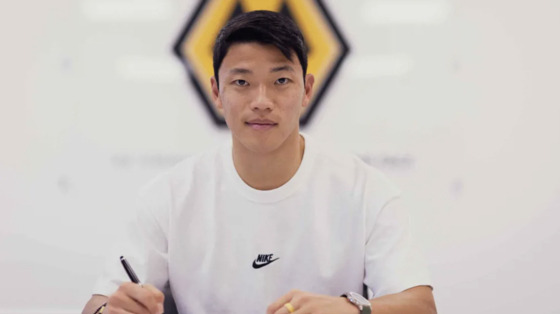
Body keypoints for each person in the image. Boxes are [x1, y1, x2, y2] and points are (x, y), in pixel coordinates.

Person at [82, 10, 436, 314]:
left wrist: (352, 308)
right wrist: (112, 310)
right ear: (217, 93)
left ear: (307, 90)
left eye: (281, 80)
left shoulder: (366, 191)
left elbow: (421, 304)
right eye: (242, 82)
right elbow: (98, 304)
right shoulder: (169, 196)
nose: (262, 101)